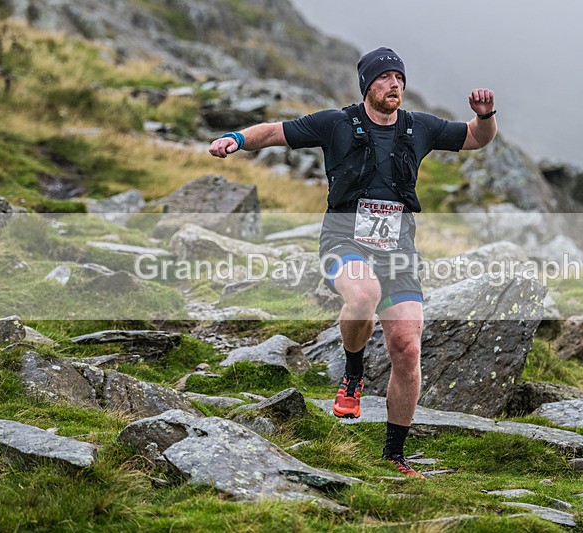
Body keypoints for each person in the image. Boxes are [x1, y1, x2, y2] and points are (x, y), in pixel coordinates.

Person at [209, 47, 496, 477]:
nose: (394, 84)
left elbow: (475, 138)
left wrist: (486, 115)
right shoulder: (336, 124)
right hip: (344, 241)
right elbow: (273, 132)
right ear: (367, 85)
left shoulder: (420, 127)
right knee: (363, 295)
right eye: (384, 78)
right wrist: (236, 138)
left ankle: (394, 456)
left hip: (398, 252)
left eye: (399, 77)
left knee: (408, 346)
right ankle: (354, 374)